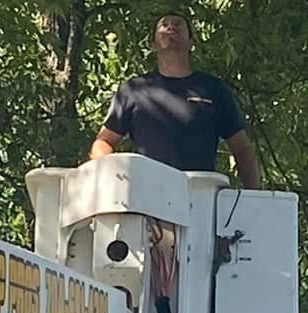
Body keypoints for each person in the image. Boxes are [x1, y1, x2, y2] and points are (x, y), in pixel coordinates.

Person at [90, 12, 262, 188]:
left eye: (178, 24)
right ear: (153, 45)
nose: (171, 27)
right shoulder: (133, 90)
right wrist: (110, 182)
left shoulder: (214, 90)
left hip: (200, 197)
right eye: (164, 25)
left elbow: (241, 148)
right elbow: (104, 142)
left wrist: (254, 198)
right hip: (145, 199)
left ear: (191, 43)